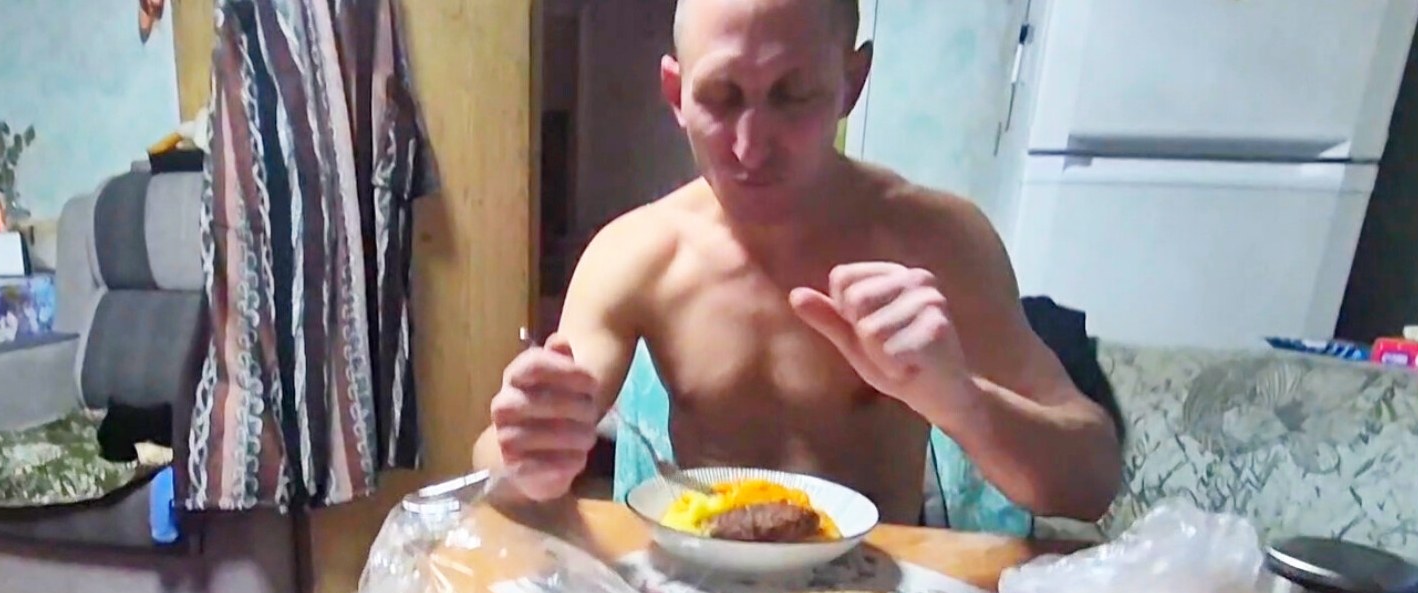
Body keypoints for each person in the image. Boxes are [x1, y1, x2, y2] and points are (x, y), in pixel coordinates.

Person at [474, 0, 1122, 525]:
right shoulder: (636, 253)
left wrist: (962, 403)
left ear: (852, 83)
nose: (751, 147)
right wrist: (528, 452)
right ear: (675, 92)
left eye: (794, 94)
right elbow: (497, 468)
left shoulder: (935, 239)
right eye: (721, 96)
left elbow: (1090, 483)